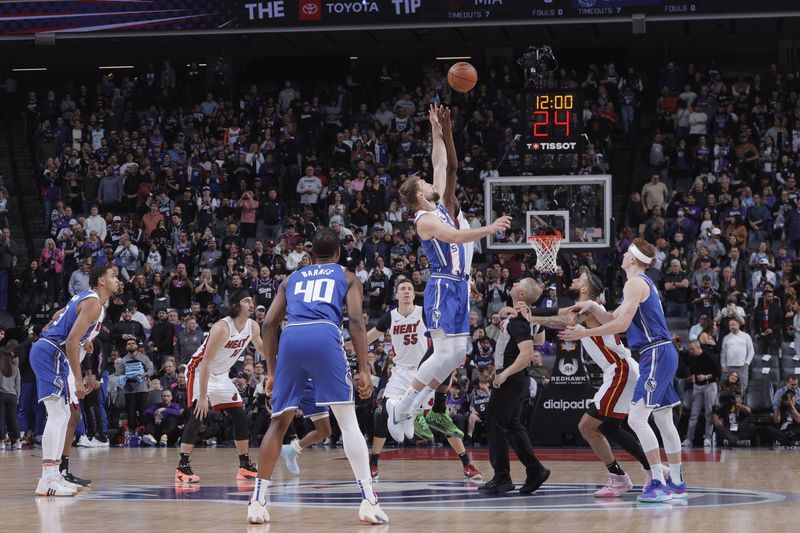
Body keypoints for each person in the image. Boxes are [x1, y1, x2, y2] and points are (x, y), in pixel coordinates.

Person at [249, 228, 388, 525]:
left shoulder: (290, 279)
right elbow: (354, 321)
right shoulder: (348, 277)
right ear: (339, 253)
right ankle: (368, 500)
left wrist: (271, 372)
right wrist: (364, 368)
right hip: (324, 333)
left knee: (279, 421)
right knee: (347, 421)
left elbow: (270, 324)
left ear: (311, 256)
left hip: (292, 337)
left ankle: (258, 502)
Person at [389, 104, 511, 441]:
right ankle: (404, 407)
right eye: (426, 183)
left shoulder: (440, 207)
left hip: (459, 285)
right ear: (418, 195)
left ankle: (420, 405)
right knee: (444, 352)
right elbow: (456, 237)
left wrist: (437, 129)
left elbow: (442, 161)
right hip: (442, 286)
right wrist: (490, 228)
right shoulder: (425, 220)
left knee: (458, 353)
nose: (432, 182)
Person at [562, 238, 687, 503]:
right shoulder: (642, 284)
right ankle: (676, 480)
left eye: (625, 253)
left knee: (637, 419)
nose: (621, 257)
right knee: (664, 420)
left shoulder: (635, 283)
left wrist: (586, 332)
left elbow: (620, 327)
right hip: (661, 352)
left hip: (654, 353)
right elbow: (615, 318)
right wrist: (595, 307)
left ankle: (657, 481)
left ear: (632, 258)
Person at [519, 268, 652, 498]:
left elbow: (564, 319)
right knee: (610, 427)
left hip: (619, 369)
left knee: (586, 426)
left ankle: (623, 477)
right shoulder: (585, 308)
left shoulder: (592, 308)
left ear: (584, 289)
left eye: (578, 279)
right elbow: (562, 313)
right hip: (621, 370)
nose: (573, 279)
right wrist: (531, 312)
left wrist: (533, 317)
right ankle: (652, 470)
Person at [353, 279, 481, 481]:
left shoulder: (424, 312)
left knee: (440, 417)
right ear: (396, 295)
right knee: (381, 412)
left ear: (414, 295)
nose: (406, 291)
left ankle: (467, 463)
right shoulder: (390, 317)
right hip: (401, 372)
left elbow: (442, 337)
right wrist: (350, 345)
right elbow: (368, 337)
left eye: (409, 289)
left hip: (424, 371)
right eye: (402, 288)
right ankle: (373, 462)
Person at [29, 263, 119, 496]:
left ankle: (56, 475)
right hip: (52, 353)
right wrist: (79, 381)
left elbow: (58, 316)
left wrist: (82, 339)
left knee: (66, 415)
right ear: (101, 280)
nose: (118, 280)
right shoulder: (93, 303)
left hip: (49, 351)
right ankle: (47, 479)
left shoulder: (85, 299)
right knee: (59, 415)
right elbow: (69, 340)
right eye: (113, 276)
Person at [174, 290, 263, 483]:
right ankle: (182, 467)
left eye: (251, 301)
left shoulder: (253, 326)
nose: (251, 304)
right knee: (198, 414)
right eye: (246, 300)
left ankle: (244, 465)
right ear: (236, 305)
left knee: (239, 415)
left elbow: (263, 349)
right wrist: (204, 396)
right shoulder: (222, 328)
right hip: (199, 372)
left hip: (221, 376)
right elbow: (205, 362)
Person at [478, 278, 550, 495]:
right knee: (512, 426)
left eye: (518, 282)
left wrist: (504, 374)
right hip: (519, 379)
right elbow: (540, 340)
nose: (514, 283)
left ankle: (502, 477)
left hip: (512, 377)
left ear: (521, 294)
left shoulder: (518, 320)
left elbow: (528, 353)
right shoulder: (524, 317)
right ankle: (535, 469)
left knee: (494, 421)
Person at [276, 378, 333, 475]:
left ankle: (292, 449)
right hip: (305, 383)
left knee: (325, 431)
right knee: (277, 428)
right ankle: (263, 474)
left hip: (315, 384)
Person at [681, 340, 722, 448]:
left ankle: (708, 438)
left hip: (709, 385)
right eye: (689, 349)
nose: (690, 351)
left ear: (698, 347)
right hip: (697, 387)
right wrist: (679, 348)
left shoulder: (709, 357)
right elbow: (685, 360)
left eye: (692, 349)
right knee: (694, 414)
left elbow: (718, 372)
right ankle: (689, 439)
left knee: (709, 412)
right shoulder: (692, 357)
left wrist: (706, 376)